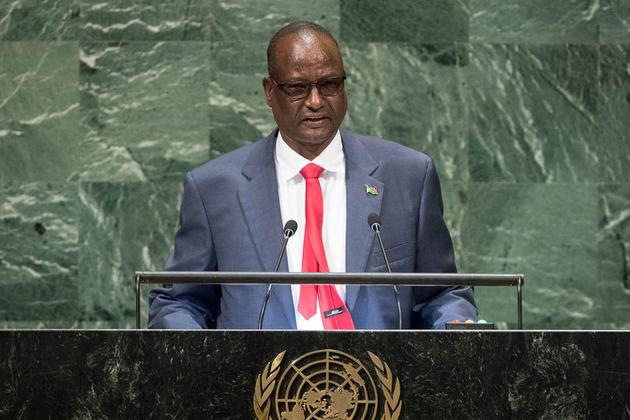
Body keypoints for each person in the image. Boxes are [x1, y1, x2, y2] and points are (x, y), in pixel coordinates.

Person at [148, 21, 477, 330]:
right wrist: (199, 353)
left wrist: (455, 326)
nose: (316, 101)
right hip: (256, 373)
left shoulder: (409, 177)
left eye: (329, 84)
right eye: (297, 88)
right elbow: (180, 300)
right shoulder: (214, 189)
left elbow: (442, 293)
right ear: (269, 91)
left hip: (378, 372)